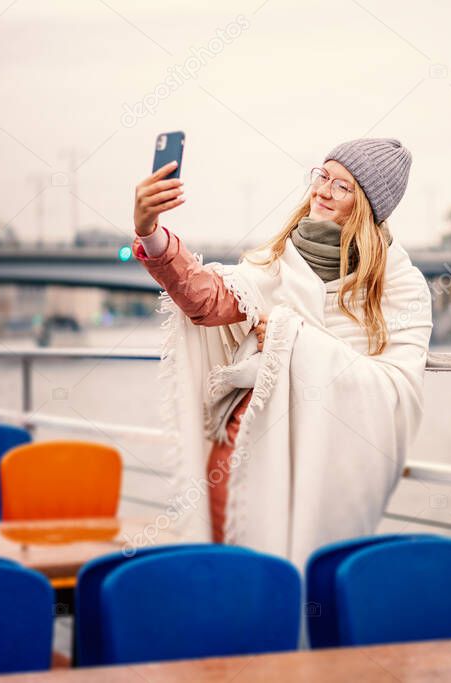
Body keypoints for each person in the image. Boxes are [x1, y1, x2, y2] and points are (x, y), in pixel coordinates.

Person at [131, 138, 433, 568]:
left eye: (342, 186)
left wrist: (292, 336)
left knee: (305, 588)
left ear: (367, 205)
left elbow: (396, 392)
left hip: (326, 475)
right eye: (322, 176)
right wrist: (151, 232)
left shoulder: (399, 286)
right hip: (239, 459)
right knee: (238, 586)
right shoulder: (274, 261)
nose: (323, 191)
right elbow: (207, 298)